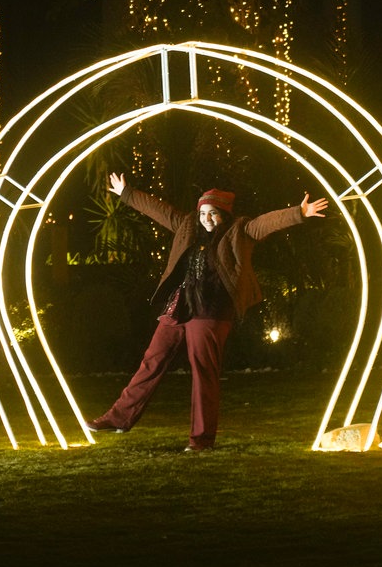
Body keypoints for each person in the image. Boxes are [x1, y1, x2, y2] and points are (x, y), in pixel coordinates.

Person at [86, 173, 328, 451]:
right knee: (151, 361)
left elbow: (265, 223)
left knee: (204, 374)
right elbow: (159, 210)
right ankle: (119, 417)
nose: (207, 218)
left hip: (212, 311)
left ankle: (201, 439)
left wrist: (300, 212)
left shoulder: (239, 230)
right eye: (203, 213)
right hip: (179, 307)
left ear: (224, 214)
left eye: (213, 213)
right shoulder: (187, 225)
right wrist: (127, 193)